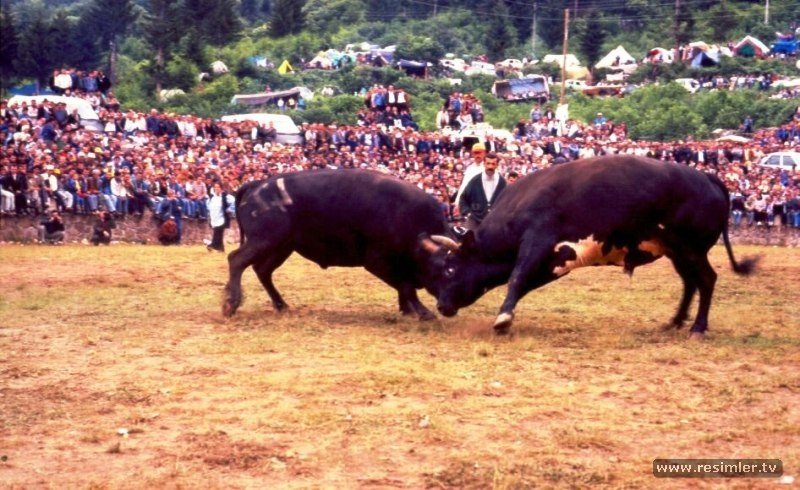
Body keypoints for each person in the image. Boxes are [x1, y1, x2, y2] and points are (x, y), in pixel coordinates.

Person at [458, 151, 507, 230]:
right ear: (484, 164)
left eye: (493, 164)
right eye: (488, 163)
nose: (490, 166)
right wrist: (468, 213)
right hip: (475, 221)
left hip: (495, 223)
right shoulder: (475, 180)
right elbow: (463, 198)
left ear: (497, 165)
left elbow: (506, 201)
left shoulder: (502, 182)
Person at [203, 181, 236, 252]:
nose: (216, 189)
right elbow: (208, 206)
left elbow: (233, 202)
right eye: (215, 187)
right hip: (214, 217)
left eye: (218, 187)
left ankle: (212, 245)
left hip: (222, 218)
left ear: (221, 188)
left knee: (217, 232)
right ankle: (221, 249)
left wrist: (229, 209)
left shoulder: (225, 196)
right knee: (219, 233)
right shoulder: (212, 197)